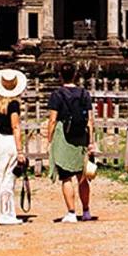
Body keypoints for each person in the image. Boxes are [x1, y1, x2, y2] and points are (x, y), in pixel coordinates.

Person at [47, 63, 97, 223]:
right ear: (76, 75)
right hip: (81, 136)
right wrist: (91, 141)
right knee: (82, 177)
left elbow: (53, 120)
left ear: (60, 76)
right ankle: (87, 211)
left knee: (66, 177)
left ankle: (71, 212)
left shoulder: (57, 94)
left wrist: (49, 139)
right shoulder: (84, 94)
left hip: (64, 137)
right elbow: (90, 120)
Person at [0, 68, 28, 225]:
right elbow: (15, 127)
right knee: (8, 177)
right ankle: (6, 213)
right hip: (8, 140)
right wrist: (20, 150)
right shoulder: (13, 104)